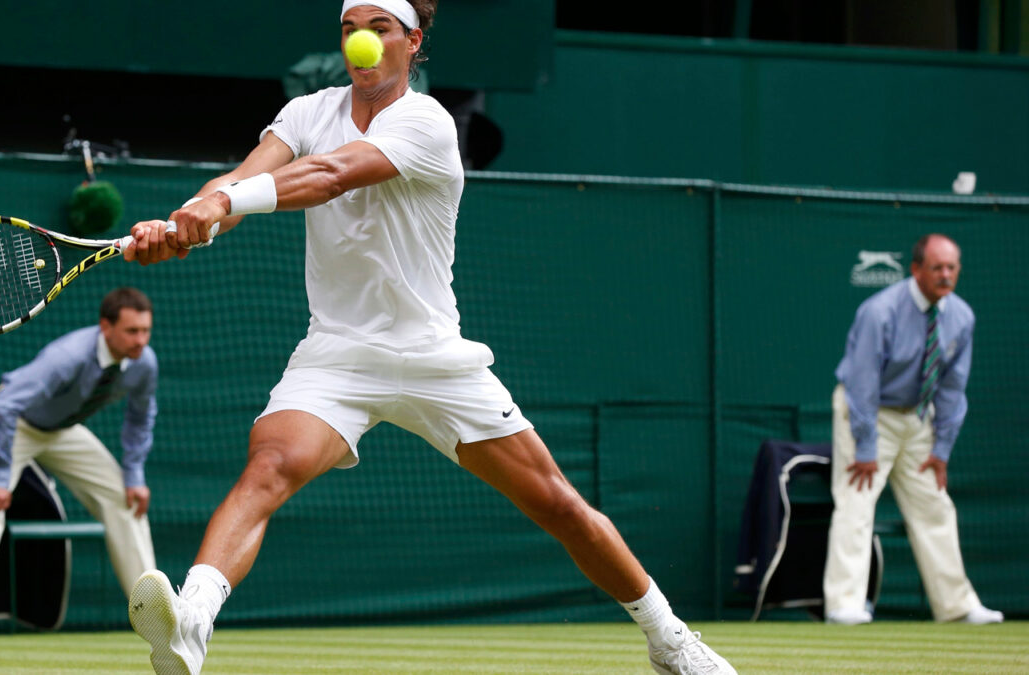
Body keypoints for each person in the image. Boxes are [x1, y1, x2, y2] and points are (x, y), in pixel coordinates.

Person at [122, 2, 736, 673]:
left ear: (413, 42)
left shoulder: (426, 121)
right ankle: (192, 620)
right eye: (351, 27)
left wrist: (222, 205)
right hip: (337, 352)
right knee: (269, 464)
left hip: (433, 358)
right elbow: (239, 180)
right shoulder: (307, 113)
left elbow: (328, 176)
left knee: (558, 504)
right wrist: (188, 218)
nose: (363, 39)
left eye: (380, 27)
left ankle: (671, 639)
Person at [0, 287, 159, 638]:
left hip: (62, 429)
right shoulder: (68, 356)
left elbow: (141, 418)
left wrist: (134, 474)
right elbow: (5, 408)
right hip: (11, 422)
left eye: (145, 331)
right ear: (106, 328)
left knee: (125, 499)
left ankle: (153, 613)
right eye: (131, 331)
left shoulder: (144, 363)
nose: (140, 341)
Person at [823, 234, 1002, 626]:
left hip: (919, 418)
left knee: (935, 505)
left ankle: (956, 606)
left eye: (951, 267)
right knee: (856, 503)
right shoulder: (880, 311)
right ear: (916, 269)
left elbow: (953, 388)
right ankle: (844, 605)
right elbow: (862, 384)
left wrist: (942, 449)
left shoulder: (962, 317)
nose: (945, 274)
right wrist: (866, 447)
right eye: (937, 267)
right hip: (866, 412)